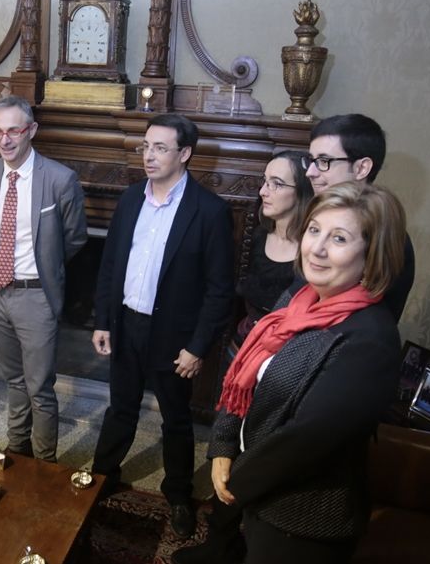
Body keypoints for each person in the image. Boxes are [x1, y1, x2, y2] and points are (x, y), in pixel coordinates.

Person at [173, 182, 407, 564]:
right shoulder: (298, 298)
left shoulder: (371, 339)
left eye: (339, 238)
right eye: (314, 230)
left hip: (303, 518)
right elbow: (245, 379)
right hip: (259, 495)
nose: (316, 247)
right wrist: (223, 445)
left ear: (373, 253)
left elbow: (305, 441)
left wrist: (235, 481)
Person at [91, 113, 234, 538]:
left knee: (175, 419)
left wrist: (198, 347)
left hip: (174, 338)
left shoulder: (209, 211)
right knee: (120, 407)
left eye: (160, 148)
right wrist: (103, 320)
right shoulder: (131, 198)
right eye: (146, 147)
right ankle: (102, 476)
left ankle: (177, 494)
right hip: (126, 324)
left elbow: (219, 290)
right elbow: (110, 264)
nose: (149, 156)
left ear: (185, 154)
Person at [0, 96, 87, 462]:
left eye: (13, 131)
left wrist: (46, 267)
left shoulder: (59, 179)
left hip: (36, 296)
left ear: (31, 131)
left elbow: (74, 238)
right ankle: (17, 447)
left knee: (40, 387)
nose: (4, 140)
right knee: (13, 381)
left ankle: (43, 464)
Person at [303, 114, 414, 319]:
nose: (310, 171)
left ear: (362, 168)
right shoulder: (317, 214)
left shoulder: (386, 235)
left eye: (324, 161)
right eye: (311, 160)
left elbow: (366, 327)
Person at [235, 150, 314, 345]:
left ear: (302, 191)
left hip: (282, 350)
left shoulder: (314, 251)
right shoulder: (257, 235)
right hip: (244, 338)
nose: (263, 191)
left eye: (276, 184)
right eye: (265, 181)